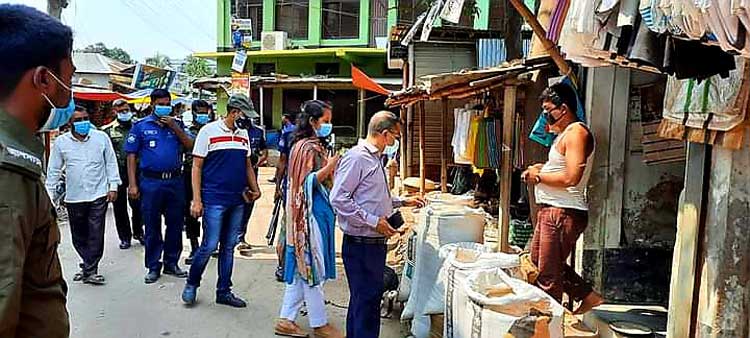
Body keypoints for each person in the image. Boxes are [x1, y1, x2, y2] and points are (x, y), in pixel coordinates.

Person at [0, 4, 71, 336]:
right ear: (44, 78)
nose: (69, 94)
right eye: (68, 78)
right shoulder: (8, 173)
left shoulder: (19, 160)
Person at [330, 111, 424, 338]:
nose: (396, 142)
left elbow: (371, 196)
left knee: (367, 302)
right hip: (362, 244)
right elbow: (338, 198)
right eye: (395, 136)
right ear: (384, 134)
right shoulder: (357, 158)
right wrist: (374, 222)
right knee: (366, 303)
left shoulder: (374, 158)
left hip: (372, 244)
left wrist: (401, 201)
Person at [521, 83, 603, 314]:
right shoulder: (564, 135)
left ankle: (549, 323)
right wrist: (541, 169)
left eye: (548, 110)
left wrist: (539, 177)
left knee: (547, 276)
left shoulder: (577, 132)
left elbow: (571, 177)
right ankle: (587, 295)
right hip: (553, 211)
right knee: (540, 265)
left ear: (564, 108)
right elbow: (561, 169)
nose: (545, 116)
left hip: (563, 211)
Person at [181, 94, 261, 308]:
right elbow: (197, 166)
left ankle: (224, 291)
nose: (248, 121)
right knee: (209, 245)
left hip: (237, 199)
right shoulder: (209, 131)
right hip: (214, 199)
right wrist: (196, 200)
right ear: (234, 112)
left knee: (228, 247)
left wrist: (256, 189)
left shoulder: (243, 134)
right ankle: (192, 283)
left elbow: (246, 165)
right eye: (245, 115)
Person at [274, 101, 343, 338]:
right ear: (313, 122)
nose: (328, 125)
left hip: (311, 215)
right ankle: (319, 323)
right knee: (312, 268)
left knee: (301, 271)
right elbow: (306, 183)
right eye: (325, 121)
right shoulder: (307, 148)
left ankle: (286, 319)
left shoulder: (305, 145)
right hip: (308, 217)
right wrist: (331, 167)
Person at [125, 89, 194, 284]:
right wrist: (132, 184)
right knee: (152, 224)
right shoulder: (140, 126)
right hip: (150, 182)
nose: (165, 106)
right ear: (153, 104)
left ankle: (172, 262)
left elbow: (190, 145)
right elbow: (131, 156)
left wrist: (175, 127)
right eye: (161, 103)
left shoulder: (177, 124)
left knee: (174, 223)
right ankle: (154, 265)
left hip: (175, 181)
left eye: (168, 103)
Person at [46, 106, 121, 285]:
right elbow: (54, 170)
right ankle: (88, 264)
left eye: (85, 118)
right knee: (78, 235)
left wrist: (113, 186)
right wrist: (49, 197)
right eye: (78, 120)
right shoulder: (62, 143)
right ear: (70, 123)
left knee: (96, 232)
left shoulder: (101, 138)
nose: (82, 123)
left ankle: (90, 269)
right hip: (74, 196)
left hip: (98, 194)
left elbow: (111, 162)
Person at [104, 98, 144, 249]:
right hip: (118, 171)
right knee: (119, 206)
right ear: (114, 112)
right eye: (120, 111)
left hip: (138, 170)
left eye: (126, 110)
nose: (124, 113)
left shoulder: (139, 126)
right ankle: (125, 237)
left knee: (138, 204)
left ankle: (139, 232)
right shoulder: (108, 131)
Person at [183, 99, 212, 265]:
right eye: (199, 112)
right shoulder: (187, 131)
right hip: (190, 175)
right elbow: (191, 147)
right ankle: (194, 246)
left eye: (205, 112)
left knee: (211, 211)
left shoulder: (213, 130)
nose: (203, 115)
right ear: (193, 113)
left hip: (210, 175)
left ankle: (208, 245)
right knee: (192, 213)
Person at [237, 117, 268, 249]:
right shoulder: (234, 131)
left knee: (248, 205)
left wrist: (258, 162)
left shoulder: (258, 132)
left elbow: (264, 151)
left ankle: (240, 237)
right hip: (235, 175)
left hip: (252, 176)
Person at [272, 113, 296, 281]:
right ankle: (284, 265)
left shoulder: (289, 134)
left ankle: (283, 266)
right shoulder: (290, 135)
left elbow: (282, 161)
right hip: (292, 189)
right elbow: (282, 161)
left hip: (291, 188)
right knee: (287, 229)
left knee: (287, 229)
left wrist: (278, 185)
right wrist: (278, 185)